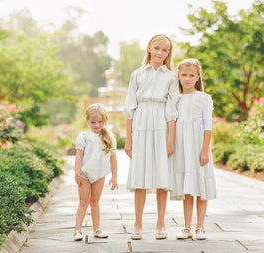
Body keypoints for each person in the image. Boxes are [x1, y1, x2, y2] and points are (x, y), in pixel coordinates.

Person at [124, 34, 178, 240]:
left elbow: (172, 110)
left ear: (168, 53)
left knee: (162, 176)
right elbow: (130, 106)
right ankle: (137, 224)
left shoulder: (171, 77)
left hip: (161, 123)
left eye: (165, 50)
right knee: (140, 176)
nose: (160, 53)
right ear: (148, 48)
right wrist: (128, 139)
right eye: (157, 48)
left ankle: (161, 224)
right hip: (141, 122)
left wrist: (170, 139)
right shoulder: (137, 74)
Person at [171, 59, 217, 240]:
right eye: (184, 75)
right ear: (179, 77)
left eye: (191, 75)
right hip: (183, 149)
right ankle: (186, 227)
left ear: (197, 77)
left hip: (199, 147)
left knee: (201, 186)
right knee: (188, 188)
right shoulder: (176, 99)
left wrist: (205, 150)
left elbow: (208, 125)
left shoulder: (204, 98)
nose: (187, 79)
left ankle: (200, 227)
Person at [73, 103, 118, 241]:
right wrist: (77, 172)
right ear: (87, 120)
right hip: (85, 174)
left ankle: (97, 229)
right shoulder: (84, 136)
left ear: (104, 120)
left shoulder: (109, 137)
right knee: (83, 202)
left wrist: (114, 177)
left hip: (99, 175)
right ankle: (77, 230)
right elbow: (79, 156)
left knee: (95, 201)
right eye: (93, 122)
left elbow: (113, 158)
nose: (97, 125)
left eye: (100, 122)